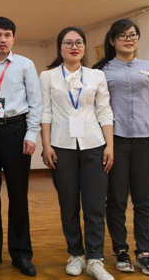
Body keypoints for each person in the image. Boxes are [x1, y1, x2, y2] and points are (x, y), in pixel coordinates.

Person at [94, 19, 149, 276]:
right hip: (114, 141)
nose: (129, 39)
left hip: (146, 140)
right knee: (116, 199)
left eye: (133, 35)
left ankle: (145, 253)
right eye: (123, 35)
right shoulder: (101, 71)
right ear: (112, 40)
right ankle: (120, 250)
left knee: (144, 200)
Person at [40, 27, 115, 280]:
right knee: (68, 205)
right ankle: (76, 254)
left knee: (95, 206)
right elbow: (46, 112)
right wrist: (46, 145)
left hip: (94, 145)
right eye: (68, 42)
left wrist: (109, 145)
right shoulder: (48, 76)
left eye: (79, 42)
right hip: (61, 147)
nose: (74, 47)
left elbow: (104, 110)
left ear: (84, 47)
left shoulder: (96, 75)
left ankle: (95, 259)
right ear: (60, 47)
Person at [0, 17, 43, 276]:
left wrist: (31, 135)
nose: (2, 39)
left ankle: (21, 253)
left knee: (18, 193)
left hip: (16, 129)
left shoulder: (25, 64)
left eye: (7, 35)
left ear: (13, 38)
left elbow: (36, 102)